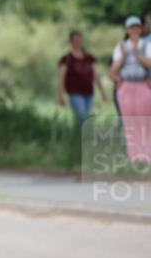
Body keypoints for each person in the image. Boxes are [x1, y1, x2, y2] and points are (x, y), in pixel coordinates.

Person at [108, 15, 151, 163]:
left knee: (145, 121)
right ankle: (134, 156)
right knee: (130, 123)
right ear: (127, 30)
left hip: (142, 85)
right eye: (131, 27)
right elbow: (113, 70)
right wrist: (123, 56)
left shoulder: (146, 45)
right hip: (126, 86)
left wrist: (138, 54)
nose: (134, 30)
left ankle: (147, 154)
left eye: (136, 27)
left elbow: (149, 63)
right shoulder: (121, 47)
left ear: (140, 29)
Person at [57, 31, 106, 122]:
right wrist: (61, 95)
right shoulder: (66, 59)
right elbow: (61, 78)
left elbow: (96, 75)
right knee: (83, 116)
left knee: (86, 117)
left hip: (89, 92)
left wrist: (102, 91)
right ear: (71, 42)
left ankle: (80, 131)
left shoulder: (89, 58)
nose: (77, 42)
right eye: (75, 40)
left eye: (79, 40)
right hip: (75, 93)